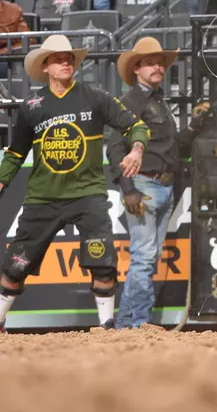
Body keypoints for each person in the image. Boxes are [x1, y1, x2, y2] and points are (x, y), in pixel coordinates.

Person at [0, 34, 149, 334]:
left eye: (69, 57)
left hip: (88, 196)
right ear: (45, 67)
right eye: (58, 58)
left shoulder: (96, 98)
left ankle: (106, 327)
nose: (66, 61)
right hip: (43, 198)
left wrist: (136, 149)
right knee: (15, 267)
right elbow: (15, 154)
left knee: (104, 263)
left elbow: (136, 126)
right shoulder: (32, 106)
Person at [112, 37, 207, 329]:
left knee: (146, 257)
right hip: (145, 186)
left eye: (161, 62)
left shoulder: (155, 100)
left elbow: (171, 147)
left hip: (161, 186)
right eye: (151, 62)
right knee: (144, 258)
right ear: (137, 68)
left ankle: (126, 323)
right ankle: (140, 322)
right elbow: (115, 147)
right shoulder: (130, 102)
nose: (159, 67)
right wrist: (128, 189)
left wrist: (193, 127)